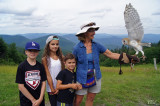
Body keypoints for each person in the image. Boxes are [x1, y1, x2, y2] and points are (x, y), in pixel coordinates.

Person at [73, 22, 121, 106]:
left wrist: (127, 57)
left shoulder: (97, 45)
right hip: (81, 77)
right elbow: (72, 64)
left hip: (95, 76)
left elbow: (111, 54)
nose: (94, 33)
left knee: (90, 98)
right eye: (91, 30)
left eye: (94, 30)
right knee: (78, 101)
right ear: (85, 33)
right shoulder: (77, 48)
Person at [15, 41, 46, 106]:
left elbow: (43, 83)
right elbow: (21, 86)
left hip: (39, 100)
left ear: (38, 52)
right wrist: (33, 100)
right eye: (30, 50)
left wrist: (40, 99)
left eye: (35, 51)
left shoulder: (40, 66)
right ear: (26, 52)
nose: (32, 52)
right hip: (26, 101)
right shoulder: (21, 66)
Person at [42, 35, 65, 106]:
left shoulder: (61, 57)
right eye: (52, 44)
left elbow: (63, 73)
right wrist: (52, 88)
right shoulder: (45, 59)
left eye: (57, 44)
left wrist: (59, 87)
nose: (55, 46)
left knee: (62, 104)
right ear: (48, 45)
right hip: (51, 88)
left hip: (61, 86)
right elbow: (48, 74)